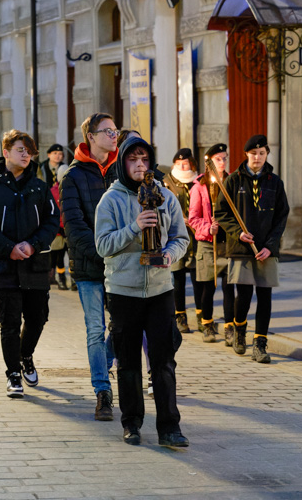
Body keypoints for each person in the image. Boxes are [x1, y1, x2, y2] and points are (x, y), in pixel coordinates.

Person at [95, 135, 190, 448]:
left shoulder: (165, 195)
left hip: (161, 289)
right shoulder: (111, 199)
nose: (139, 165)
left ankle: (169, 428)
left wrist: (169, 256)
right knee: (128, 362)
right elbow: (103, 245)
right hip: (124, 291)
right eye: (133, 159)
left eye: (144, 159)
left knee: (163, 361)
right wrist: (134, 226)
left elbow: (181, 237)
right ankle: (132, 422)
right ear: (123, 163)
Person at [0, 129, 59, 398]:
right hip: (3, 266)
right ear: (6, 151)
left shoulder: (39, 187)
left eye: (29, 151)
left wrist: (32, 245)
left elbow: (52, 220)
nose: (26, 155)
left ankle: (26, 355)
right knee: (9, 322)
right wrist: (8, 248)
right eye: (20, 150)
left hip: (35, 264)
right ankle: (13, 374)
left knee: (38, 317)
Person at [60, 113, 119, 420]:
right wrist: (105, 253)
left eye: (115, 130)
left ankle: (105, 363)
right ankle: (103, 391)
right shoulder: (73, 177)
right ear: (91, 137)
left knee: (122, 325)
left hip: (122, 267)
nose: (114, 136)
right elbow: (74, 226)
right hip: (90, 266)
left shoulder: (123, 171)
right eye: (107, 131)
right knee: (95, 328)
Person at [215, 135, 289, 363]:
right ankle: (239, 330)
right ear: (246, 154)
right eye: (253, 153)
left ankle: (260, 343)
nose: (257, 157)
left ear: (267, 154)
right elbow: (221, 213)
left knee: (265, 296)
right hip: (241, 248)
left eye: (262, 153)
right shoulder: (233, 181)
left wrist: (270, 246)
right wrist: (238, 232)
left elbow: (281, 216)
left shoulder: (274, 182)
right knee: (244, 295)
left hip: (266, 250)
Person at [188, 143, 235, 344]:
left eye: (224, 158)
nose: (222, 162)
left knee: (229, 287)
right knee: (208, 286)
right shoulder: (200, 186)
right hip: (208, 244)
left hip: (229, 243)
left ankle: (230, 326)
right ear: (209, 163)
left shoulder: (233, 182)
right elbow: (193, 218)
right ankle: (207, 324)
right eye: (218, 159)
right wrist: (208, 228)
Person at [164, 149, 202, 334]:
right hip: (176, 236)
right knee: (178, 278)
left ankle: (202, 315)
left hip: (196, 236)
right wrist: (179, 219)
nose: (182, 167)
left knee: (197, 278)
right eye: (179, 164)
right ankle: (180, 316)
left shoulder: (198, 181)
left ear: (191, 164)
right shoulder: (168, 182)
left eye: (185, 164)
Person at [39, 144, 70, 289]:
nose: (58, 156)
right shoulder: (42, 168)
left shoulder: (65, 168)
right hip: (48, 208)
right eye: (55, 153)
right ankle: (51, 275)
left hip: (64, 223)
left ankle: (63, 277)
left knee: (64, 252)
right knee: (55, 251)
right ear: (49, 154)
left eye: (60, 153)